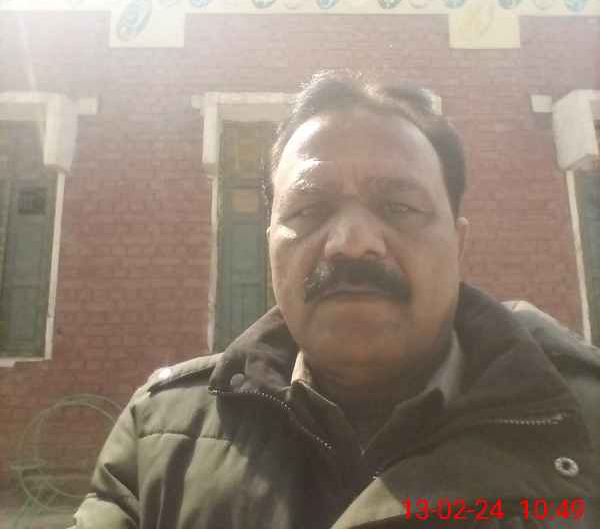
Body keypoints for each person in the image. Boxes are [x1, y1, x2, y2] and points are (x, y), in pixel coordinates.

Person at [72, 70, 600, 528]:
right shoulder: (159, 442)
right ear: (270, 246)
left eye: (399, 207)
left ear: (459, 245)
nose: (351, 242)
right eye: (309, 210)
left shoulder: (583, 426)